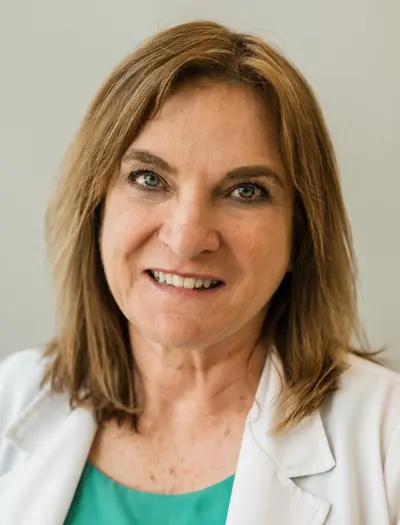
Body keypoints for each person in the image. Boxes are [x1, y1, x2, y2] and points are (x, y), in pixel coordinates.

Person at [0, 19, 399, 525]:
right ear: (96, 209)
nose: (187, 238)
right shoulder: (10, 400)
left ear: (301, 231)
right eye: (149, 179)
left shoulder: (387, 443)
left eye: (245, 191)